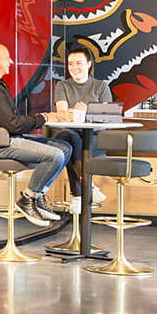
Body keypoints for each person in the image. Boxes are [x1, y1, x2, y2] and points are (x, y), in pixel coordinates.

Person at [0, 43, 70, 227]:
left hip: (11, 140)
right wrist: (43, 118)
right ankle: (27, 198)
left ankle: (37, 196)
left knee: (65, 148)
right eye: (7, 57)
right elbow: (12, 124)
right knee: (55, 155)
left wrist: (40, 119)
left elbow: (13, 123)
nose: (11, 61)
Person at [51, 44, 113, 211]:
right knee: (67, 137)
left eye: (78, 63)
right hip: (71, 134)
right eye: (70, 64)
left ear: (89, 64)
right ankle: (89, 187)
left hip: (95, 139)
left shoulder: (101, 86)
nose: (74, 68)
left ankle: (77, 194)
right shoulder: (63, 86)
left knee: (68, 145)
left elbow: (109, 115)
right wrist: (93, 111)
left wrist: (87, 111)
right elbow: (62, 113)